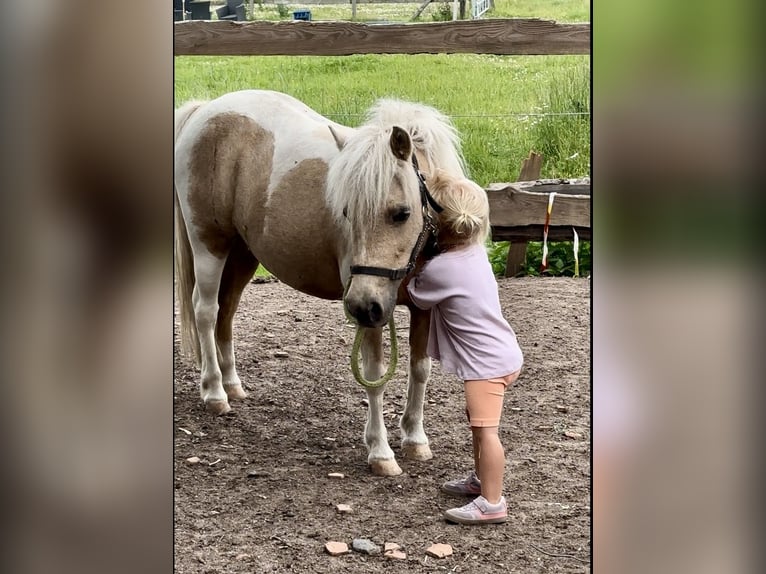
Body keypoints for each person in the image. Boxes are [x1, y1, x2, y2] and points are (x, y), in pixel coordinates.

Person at [406, 170, 523, 525]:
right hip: (501, 355)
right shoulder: (475, 253)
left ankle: (492, 502)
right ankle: (480, 481)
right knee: (477, 424)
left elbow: (416, 296)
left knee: (487, 432)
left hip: (486, 367)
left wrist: (412, 267)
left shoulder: (442, 268)